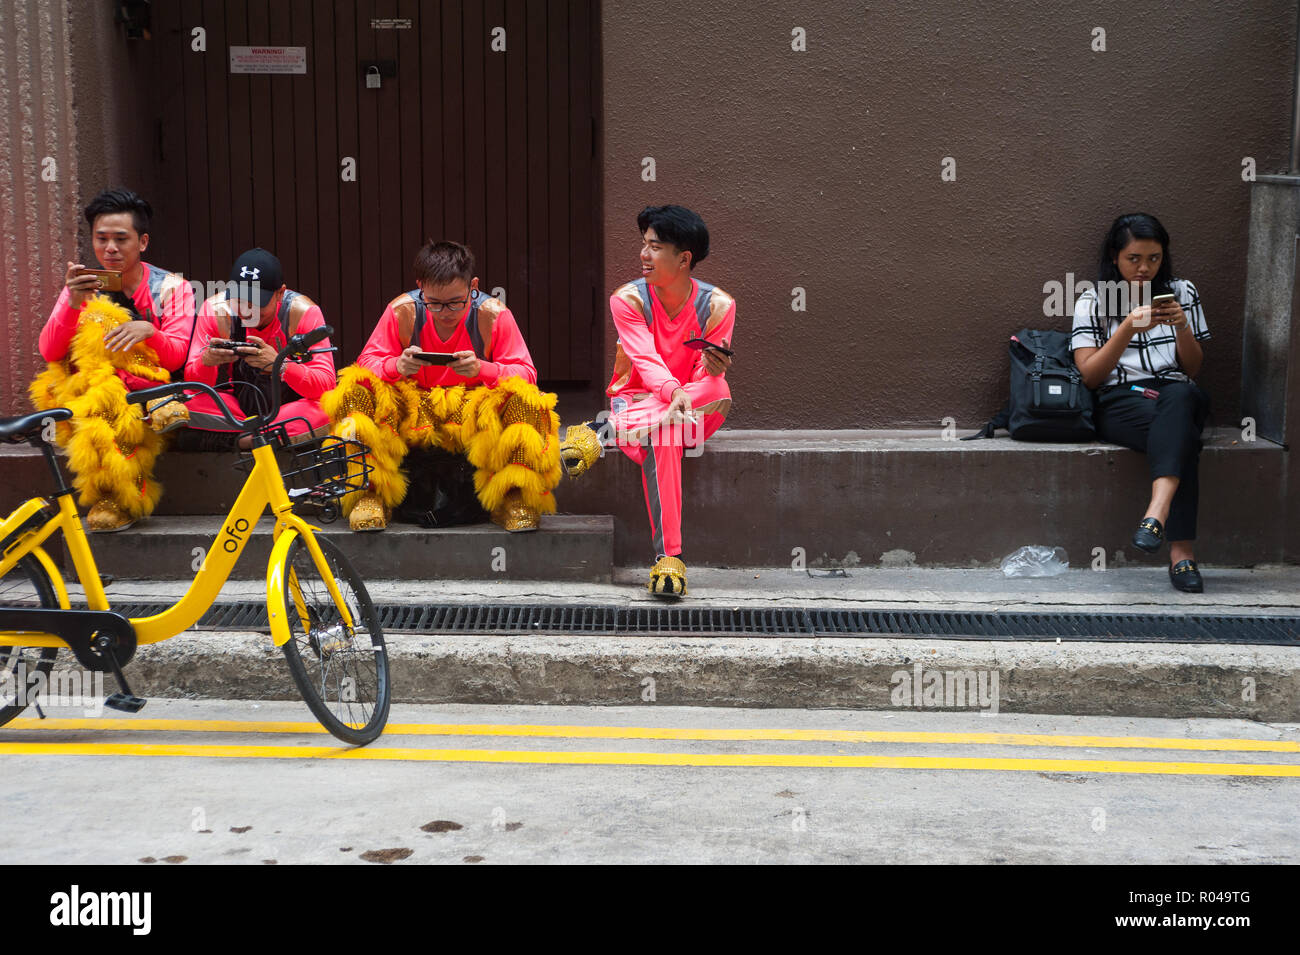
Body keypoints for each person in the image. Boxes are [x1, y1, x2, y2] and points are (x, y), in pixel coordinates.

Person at [321, 240, 561, 532]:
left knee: (526, 398)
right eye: (434, 303)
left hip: (473, 412)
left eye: (456, 302)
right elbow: (365, 362)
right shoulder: (403, 310)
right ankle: (370, 495)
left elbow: (526, 373)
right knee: (353, 392)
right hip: (412, 410)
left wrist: (482, 369)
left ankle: (513, 496)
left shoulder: (494, 314)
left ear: (473, 286)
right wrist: (395, 366)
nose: (445, 312)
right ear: (420, 286)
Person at [560, 205, 735, 598]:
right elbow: (646, 359)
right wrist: (672, 394)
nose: (643, 254)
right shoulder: (628, 300)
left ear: (684, 258)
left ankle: (602, 430)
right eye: (644, 245)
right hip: (642, 400)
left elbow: (709, 380)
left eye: (655, 247)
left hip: (681, 408)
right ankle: (669, 558)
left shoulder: (719, 305)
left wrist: (713, 368)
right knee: (667, 431)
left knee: (719, 391)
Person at [30, 188, 196, 532]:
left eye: (121, 239)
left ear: (143, 242)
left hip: (146, 384)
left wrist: (150, 330)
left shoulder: (170, 288)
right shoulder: (84, 285)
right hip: (93, 387)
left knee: (109, 399)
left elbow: (179, 353)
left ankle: (120, 499)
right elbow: (50, 351)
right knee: (100, 395)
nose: (110, 249)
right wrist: (72, 302)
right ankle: (110, 496)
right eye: (101, 238)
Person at [1071, 213, 1212, 593]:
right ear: (1115, 257)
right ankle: (1181, 554)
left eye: (1154, 258)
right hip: (1122, 401)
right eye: (1134, 258)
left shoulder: (1183, 292)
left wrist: (1182, 326)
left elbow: (1193, 368)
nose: (1144, 268)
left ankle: (1155, 514)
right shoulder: (1094, 300)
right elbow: (1090, 376)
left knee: (1181, 396)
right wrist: (1127, 328)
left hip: (1174, 393)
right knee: (1183, 436)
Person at [178, 249, 335, 451]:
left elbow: (325, 385)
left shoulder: (302, 312)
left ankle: (238, 441)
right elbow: (196, 385)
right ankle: (264, 438)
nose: (246, 311)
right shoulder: (216, 310)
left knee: (327, 410)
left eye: (256, 302)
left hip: (291, 410)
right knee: (177, 403)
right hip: (238, 410)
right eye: (240, 300)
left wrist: (280, 365)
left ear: (280, 293)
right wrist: (206, 362)